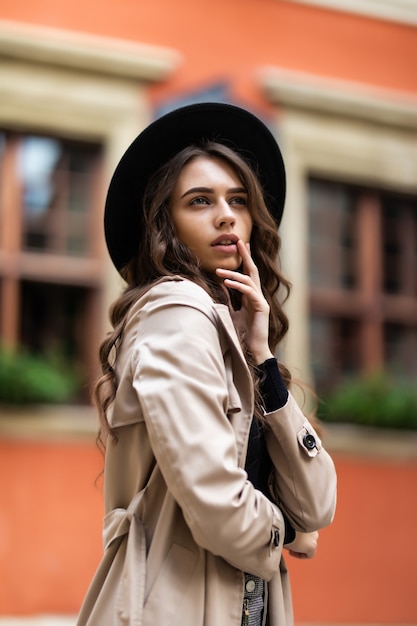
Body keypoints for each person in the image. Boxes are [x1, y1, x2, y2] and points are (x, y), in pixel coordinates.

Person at [77, 102, 337, 626]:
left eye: (238, 200)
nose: (226, 215)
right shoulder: (177, 310)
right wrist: (284, 530)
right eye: (199, 200)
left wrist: (262, 359)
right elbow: (218, 503)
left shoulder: (233, 335)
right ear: (164, 221)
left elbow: (317, 503)